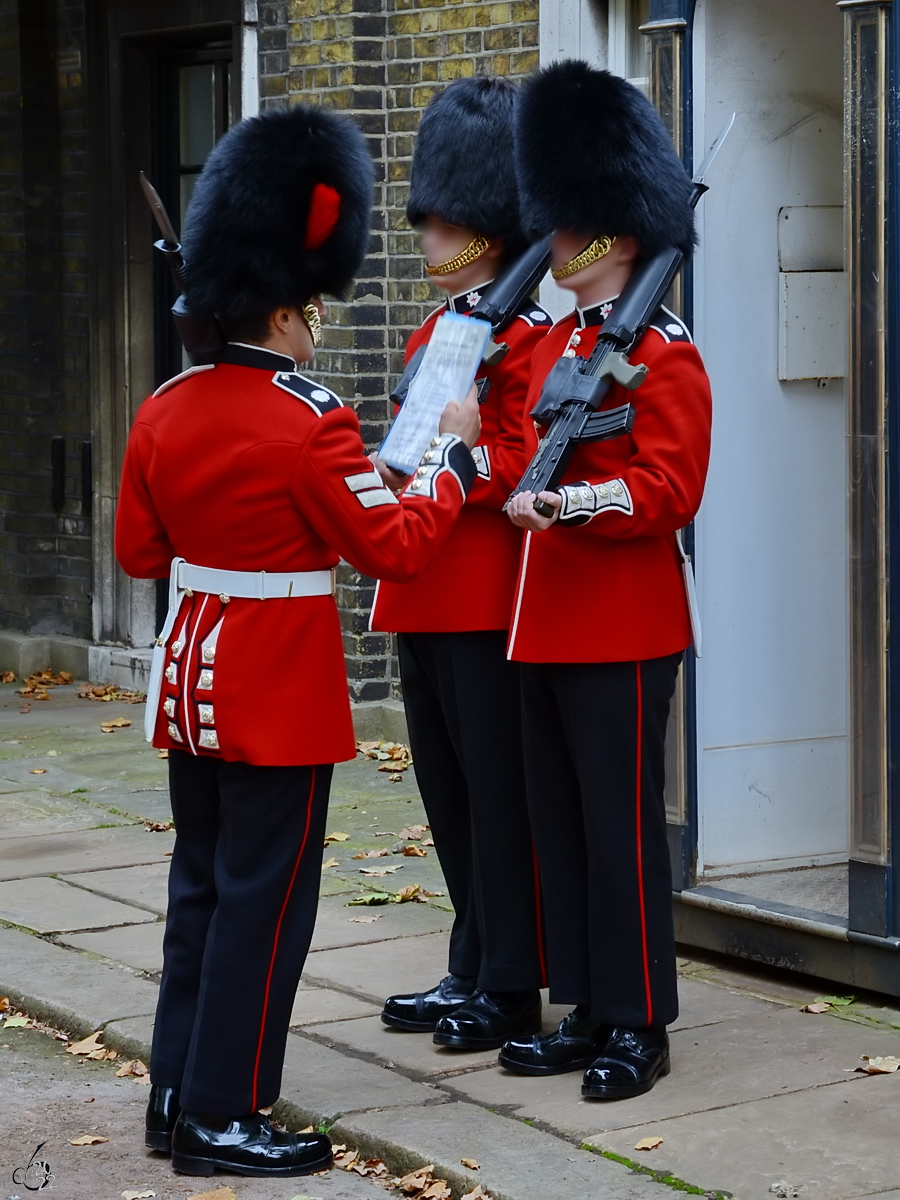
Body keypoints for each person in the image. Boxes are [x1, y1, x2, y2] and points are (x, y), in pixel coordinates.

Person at [115, 105, 481, 1179]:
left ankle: (176, 1092)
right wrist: (453, 469)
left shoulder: (164, 409)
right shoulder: (306, 416)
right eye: (312, 310)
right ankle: (225, 1116)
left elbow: (143, 556)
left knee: (199, 892)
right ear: (284, 312)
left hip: (191, 685)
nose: (317, 325)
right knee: (266, 910)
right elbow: (395, 547)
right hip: (275, 692)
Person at [501, 61, 712, 1100]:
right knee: (563, 826)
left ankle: (638, 1020)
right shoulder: (563, 344)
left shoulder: (662, 350)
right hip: (542, 620)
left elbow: (670, 489)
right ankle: (584, 1002)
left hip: (624, 623)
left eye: (566, 225)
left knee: (621, 832)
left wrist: (571, 508)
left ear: (611, 235)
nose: (550, 243)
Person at [369, 77, 553, 1051]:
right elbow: (410, 453)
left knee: (496, 796)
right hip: (418, 590)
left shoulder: (527, 339)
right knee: (447, 795)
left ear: (486, 226)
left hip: (484, 596)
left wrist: (472, 445)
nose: (429, 240)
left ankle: (513, 984)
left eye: (443, 224)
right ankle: (469, 962)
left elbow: (529, 460)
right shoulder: (435, 331)